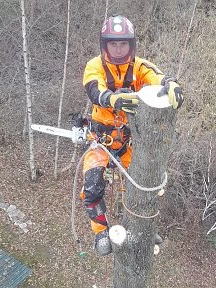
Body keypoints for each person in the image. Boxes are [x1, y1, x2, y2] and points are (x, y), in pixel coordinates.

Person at [82, 14, 183, 256]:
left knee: (146, 185)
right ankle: (101, 232)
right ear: (104, 45)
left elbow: (157, 76)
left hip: (127, 141)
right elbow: (94, 89)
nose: (118, 49)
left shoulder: (138, 66)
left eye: (123, 44)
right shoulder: (95, 65)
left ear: (131, 44)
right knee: (92, 187)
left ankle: (142, 226)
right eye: (113, 44)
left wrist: (171, 84)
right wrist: (112, 99)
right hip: (101, 140)